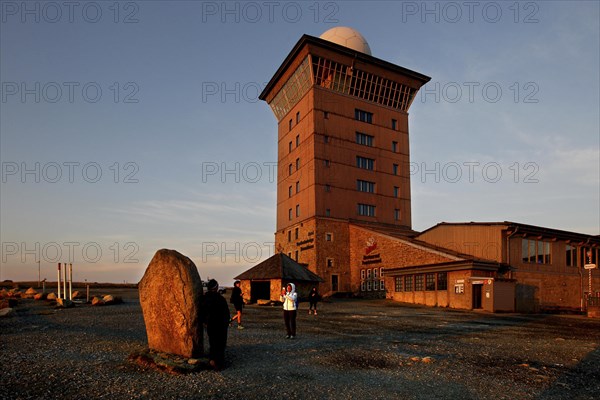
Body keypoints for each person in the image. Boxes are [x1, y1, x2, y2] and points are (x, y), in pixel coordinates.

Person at [201, 279, 230, 371]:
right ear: (216, 287)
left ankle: (212, 360)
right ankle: (219, 363)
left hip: (210, 324)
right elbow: (226, 313)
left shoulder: (204, 298)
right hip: (220, 325)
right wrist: (226, 323)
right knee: (220, 343)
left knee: (213, 342)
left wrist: (204, 322)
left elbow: (202, 312)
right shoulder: (220, 299)